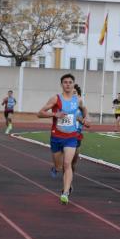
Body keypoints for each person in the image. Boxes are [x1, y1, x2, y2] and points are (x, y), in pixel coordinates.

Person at [38, 74, 89, 205]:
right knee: (59, 166)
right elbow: (40, 113)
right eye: (65, 82)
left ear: (73, 84)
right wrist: (55, 114)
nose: (68, 84)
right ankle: (55, 168)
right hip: (56, 136)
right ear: (61, 85)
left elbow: (84, 109)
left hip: (71, 137)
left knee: (68, 164)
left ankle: (65, 193)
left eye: (70, 82)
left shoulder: (78, 99)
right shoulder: (56, 98)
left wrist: (86, 118)